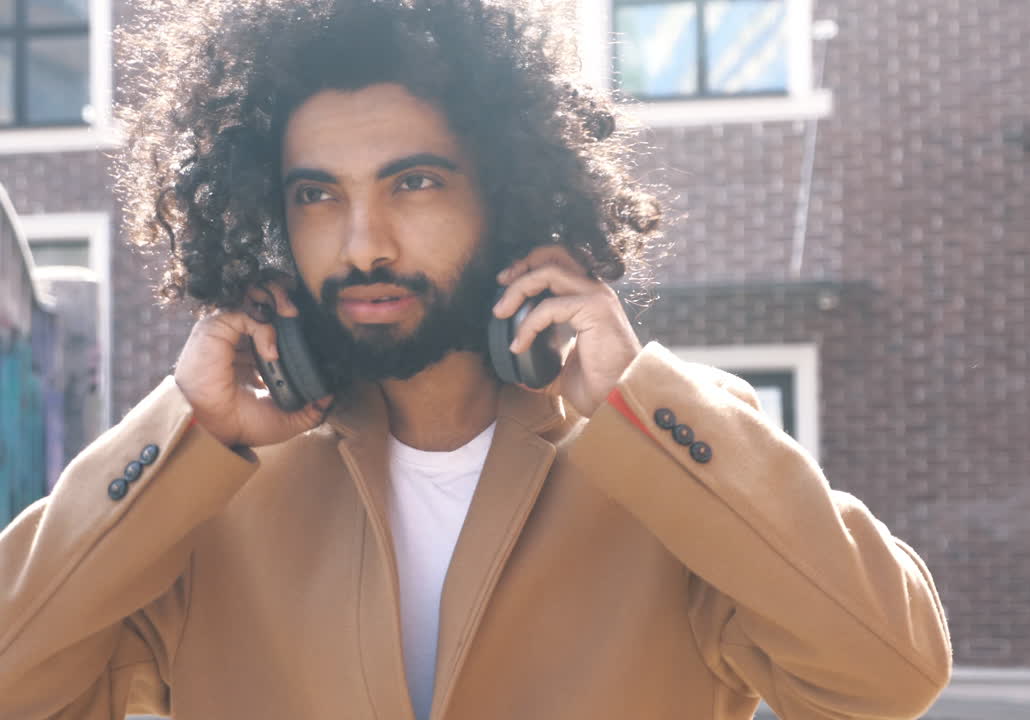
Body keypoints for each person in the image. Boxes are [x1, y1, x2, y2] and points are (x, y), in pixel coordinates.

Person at [0, 0, 952, 717]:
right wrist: (186, 425)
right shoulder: (206, 494)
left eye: (414, 183)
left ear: (506, 191)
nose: (363, 242)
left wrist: (639, 401)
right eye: (317, 195)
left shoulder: (670, 462)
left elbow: (889, 676)